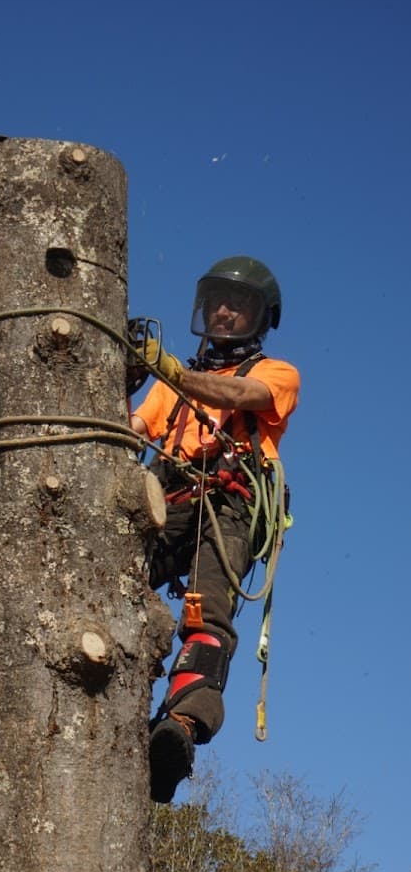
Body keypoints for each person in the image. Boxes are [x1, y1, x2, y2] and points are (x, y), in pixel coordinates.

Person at [128, 256, 299, 804]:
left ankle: (182, 723)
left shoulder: (274, 374)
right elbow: (130, 429)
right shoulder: (166, 392)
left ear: (259, 318)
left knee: (206, 610)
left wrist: (174, 372)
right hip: (164, 504)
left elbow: (238, 398)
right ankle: (125, 671)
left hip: (228, 502)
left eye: (239, 305)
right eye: (218, 302)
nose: (225, 312)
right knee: (109, 578)